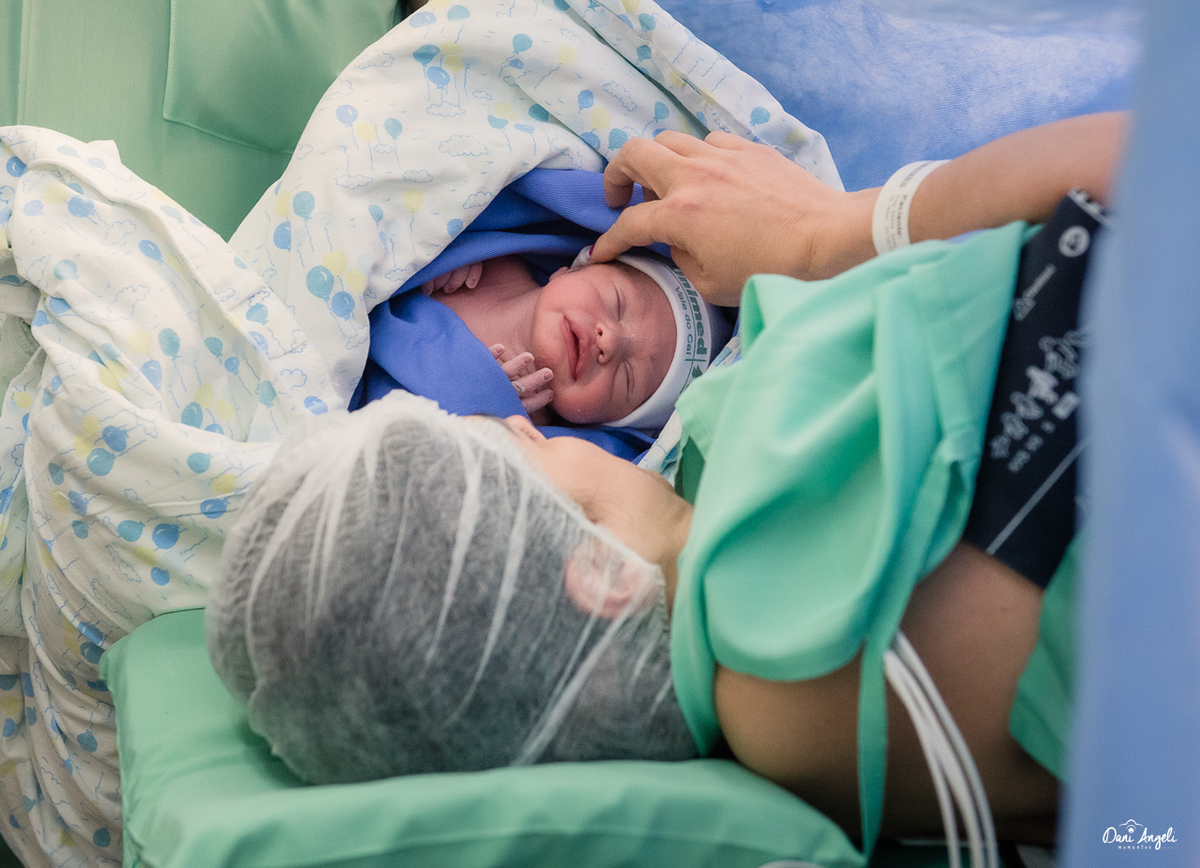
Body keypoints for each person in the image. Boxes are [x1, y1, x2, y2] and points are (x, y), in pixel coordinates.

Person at [208, 110, 1126, 855]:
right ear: (601, 573)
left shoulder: (787, 738)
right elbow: (1144, 167)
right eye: (504, 448)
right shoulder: (772, 539)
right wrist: (831, 230)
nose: (521, 420)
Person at [420, 248, 729, 430]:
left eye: (628, 378)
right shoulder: (493, 256)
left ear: (598, 423)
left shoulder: (525, 426)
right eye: (618, 303)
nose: (610, 341)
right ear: (571, 271)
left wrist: (484, 407)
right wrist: (442, 254)